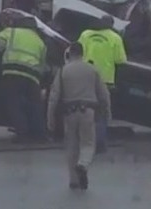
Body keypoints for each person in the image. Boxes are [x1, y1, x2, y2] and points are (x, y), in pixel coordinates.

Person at [46, 42, 112, 191]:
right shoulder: (92, 69)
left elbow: (54, 97)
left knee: (71, 146)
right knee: (88, 143)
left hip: (69, 113)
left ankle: (73, 181)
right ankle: (83, 164)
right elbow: (104, 94)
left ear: (70, 54)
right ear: (82, 53)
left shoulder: (63, 71)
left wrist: (50, 119)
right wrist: (107, 111)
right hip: (88, 111)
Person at [0, 9, 48, 143]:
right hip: (33, 76)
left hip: (13, 72)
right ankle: (40, 135)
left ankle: (22, 134)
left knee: (14, 103)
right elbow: (43, 64)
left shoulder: (11, 32)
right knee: (35, 106)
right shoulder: (40, 41)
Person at [78, 15, 126, 153]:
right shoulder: (115, 38)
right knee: (101, 114)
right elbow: (121, 60)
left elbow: (76, 53)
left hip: (85, 79)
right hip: (105, 81)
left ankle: (85, 143)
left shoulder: (85, 34)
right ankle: (99, 144)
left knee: (86, 112)